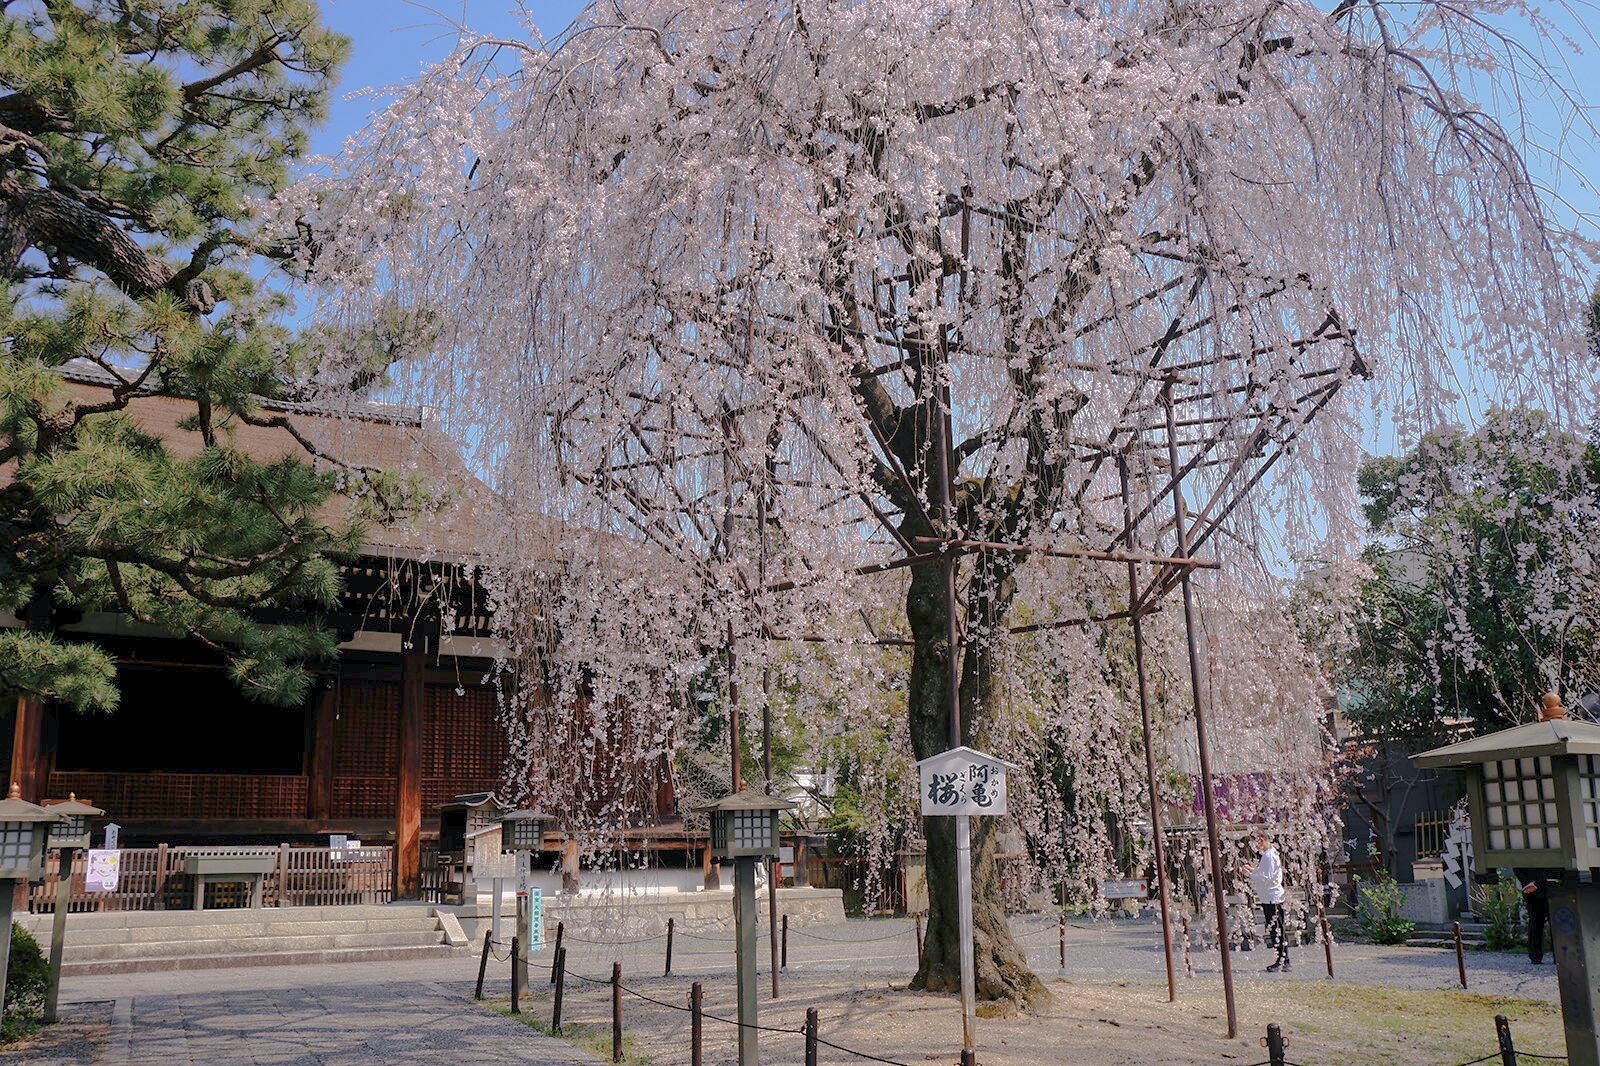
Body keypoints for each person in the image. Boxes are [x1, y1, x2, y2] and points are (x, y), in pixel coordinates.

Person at [1247, 829, 1291, 972]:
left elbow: (1265, 878)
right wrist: (1253, 870)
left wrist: (1249, 874)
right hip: (1270, 897)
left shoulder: (1268, 856)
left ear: (1261, 839)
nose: (1255, 846)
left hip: (1273, 898)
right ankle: (1282, 960)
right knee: (1275, 929)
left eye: (1255, 842)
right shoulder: (1269, 854)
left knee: (1277, 930)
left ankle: (1283, 960)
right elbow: (1265, 874)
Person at [1516, 869, 1553, 964]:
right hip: (1545, 885)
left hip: (1533, 886)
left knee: (1536, 922)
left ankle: (1535, 956)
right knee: (1545, 921)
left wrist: (1527, 882)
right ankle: (1558, 955)